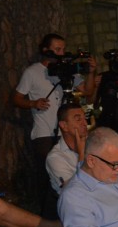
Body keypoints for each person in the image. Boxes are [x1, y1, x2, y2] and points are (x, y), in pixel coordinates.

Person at [11, 33, 97, 164]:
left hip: (67, 133)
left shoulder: (67, 69)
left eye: (63, 49)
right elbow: (16, 99)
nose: (61, 53)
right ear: (46, 50)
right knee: (49, 168)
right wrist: (33, 103)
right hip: (44, 134)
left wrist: (91, 72)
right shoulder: (32, 72)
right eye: (57, 49)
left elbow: (87, 91)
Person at [45, 103, 88, 193]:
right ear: (64, 125)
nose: (84, 123)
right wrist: (81, 154)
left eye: (85, 118)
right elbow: (74, 191)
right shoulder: (55, 157)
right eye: (78, 119)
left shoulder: (93, 145)